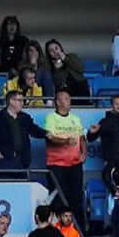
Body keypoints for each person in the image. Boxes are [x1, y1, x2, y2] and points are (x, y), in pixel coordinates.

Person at [42, 92, 87, 222]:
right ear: (58, 102)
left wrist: (84, 152)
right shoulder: (51, 118)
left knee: (76, 197)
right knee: (58, 197)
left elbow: (81, 138)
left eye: (69, 98)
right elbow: (49, 138)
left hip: (75, 164)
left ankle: (78, 228)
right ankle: (59, 227)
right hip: (57, 165)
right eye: (66, 99)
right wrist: (65, 141)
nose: (69, 101)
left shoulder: (75, 118)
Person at [0, 91, 46, 172]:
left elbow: (34, 130)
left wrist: (46, 133)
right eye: (19, 100)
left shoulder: (25, 117)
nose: (22, 103)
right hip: (4, 161)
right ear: (11, 101)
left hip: (22, 161)